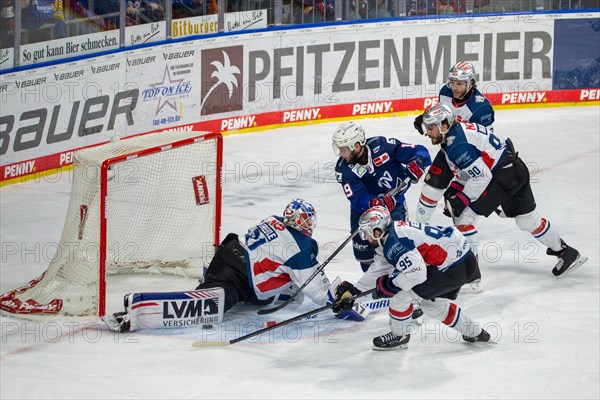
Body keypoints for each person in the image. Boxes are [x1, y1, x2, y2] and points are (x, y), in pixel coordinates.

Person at [106, 199, 367, 332]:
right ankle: (138, 311)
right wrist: (338, 300)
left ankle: (211, 282)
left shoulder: (274, 220)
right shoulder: (300, 246)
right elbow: (316, 289)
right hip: (238, 278)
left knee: (281, 284)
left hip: (227, 254)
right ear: (305, 223)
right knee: (212, 303)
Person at [421, 104, 588, 277]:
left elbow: (482, 176)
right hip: (515, 168)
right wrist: (456, 189)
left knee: (464, 216)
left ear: (445, 126)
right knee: (527, 220)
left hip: (502, 176)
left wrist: (462, 198)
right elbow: (475, 168)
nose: (427, 133)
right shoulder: (459, 131)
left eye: (431, 128)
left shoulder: (456, 145)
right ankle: (566, 252)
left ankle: (470, 277)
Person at [333, 206, 490, 350]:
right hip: (461, 260)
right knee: (433, 306)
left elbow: (417, 273)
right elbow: (381, 266)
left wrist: (390, 285)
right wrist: (355, 289)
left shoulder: (394, 241)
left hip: (452, 267)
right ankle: (475, 332)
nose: (365, 238)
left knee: (400, 297)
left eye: (366, 233)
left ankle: (399, 336)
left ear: (377, 231)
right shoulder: (389, 234)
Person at [413, 61, 494, 294]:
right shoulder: (445, 93)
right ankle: (418, 234)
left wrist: (466, 189)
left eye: (460, 83)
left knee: (462, 214)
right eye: (453, 82)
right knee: (429, 188)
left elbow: (481, 142)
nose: (455, 87)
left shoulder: (481, 108)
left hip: (469, 156)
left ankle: (472, 274)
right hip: (448, 150)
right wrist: (426, 119)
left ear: (471, 82)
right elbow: (443, 115)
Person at [332, 121, 431, 273]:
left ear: (357, 146)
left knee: (401, 248)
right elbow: (357, 198)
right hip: (363, 213)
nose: (341, 154)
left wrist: (418, 162)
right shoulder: (344, 169)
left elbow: (419, 151)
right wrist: (375, 202)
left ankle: (405, 283)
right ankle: (374, 288)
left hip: (395, 205)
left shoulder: (383, 146)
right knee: (365, 257)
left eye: (344, 149)